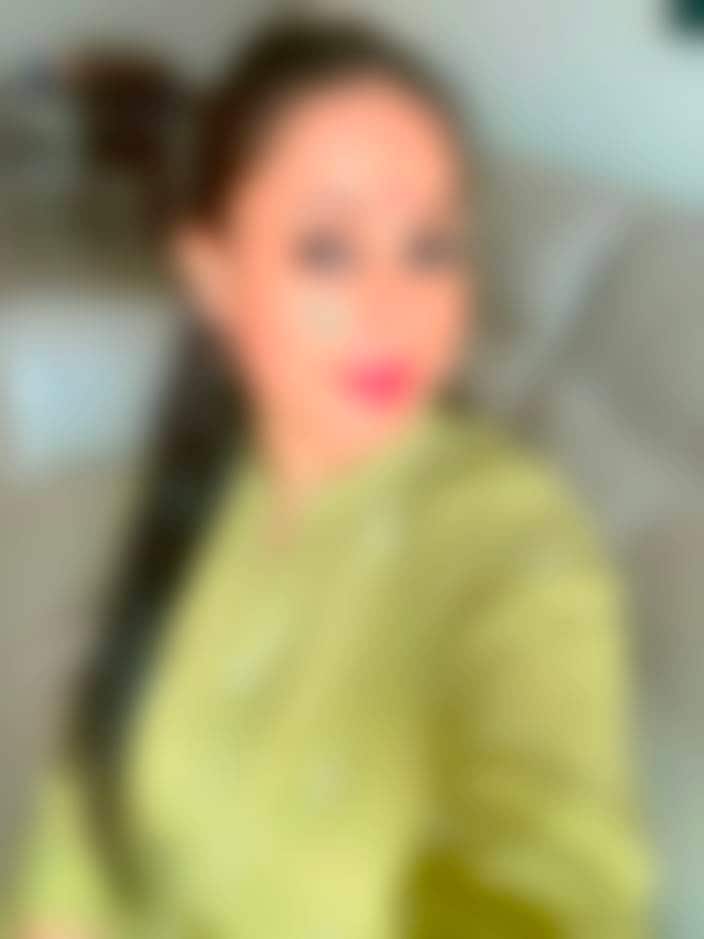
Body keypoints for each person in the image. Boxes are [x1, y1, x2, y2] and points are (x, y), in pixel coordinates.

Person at [3, 16, 653, 939]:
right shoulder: (206, 484)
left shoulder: (512, 536)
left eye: (429, 248)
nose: (394, 308)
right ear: (213, 275)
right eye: (327, 250)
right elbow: (85, 814)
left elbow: (558, 858)